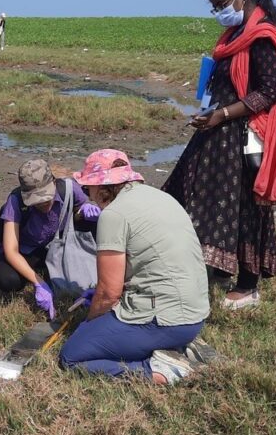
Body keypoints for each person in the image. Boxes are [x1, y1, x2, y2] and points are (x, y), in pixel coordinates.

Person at [162, 0, 276, 311]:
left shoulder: (264, 38)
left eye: (222, 4)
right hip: (219, 136)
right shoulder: (235, 35)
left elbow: (268, 92)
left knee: (245, 209)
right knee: (198, 198)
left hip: (245, 138)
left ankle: (249, 286)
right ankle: (217, 267)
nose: (219, 12)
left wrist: (221, 115)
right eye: (214, 8)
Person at [59, 149, 210, 386]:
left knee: (72, 356)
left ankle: (157, 371)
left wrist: (90, 322)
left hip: (166, 320)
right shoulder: (162, 197)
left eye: (88, 188)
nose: (88, 195)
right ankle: (177, 348)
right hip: (196, 314)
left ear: (103, 187)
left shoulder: (114, 215)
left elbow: (109, 293)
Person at [0, 159, 99, 318]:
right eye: (36, 201)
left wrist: (83, 210)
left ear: (54, 183)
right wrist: (39, 283)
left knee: (95, 220)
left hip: (60, 245)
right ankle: (42, 273)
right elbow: (11, 250)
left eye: (46, 198)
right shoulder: (15, 201)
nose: (43, 204)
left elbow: (77, 213)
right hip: (30, 250)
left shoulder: (69, 189)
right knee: (8, 281)